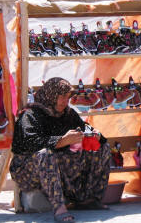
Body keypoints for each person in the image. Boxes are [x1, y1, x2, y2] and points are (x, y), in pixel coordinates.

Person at [10, 77, 111, 223]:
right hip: (27, 169)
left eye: (68, 97)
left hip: (57, 165)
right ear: (51, 96)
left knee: (102, 148)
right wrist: (61, 141)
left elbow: (84, 128)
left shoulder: (68, 114)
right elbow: (30, 143)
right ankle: (59, 208)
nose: (66, 101)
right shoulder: (31, 115)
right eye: (62, 97)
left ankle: (89, 199)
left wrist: (96, 135)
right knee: (45, 154)